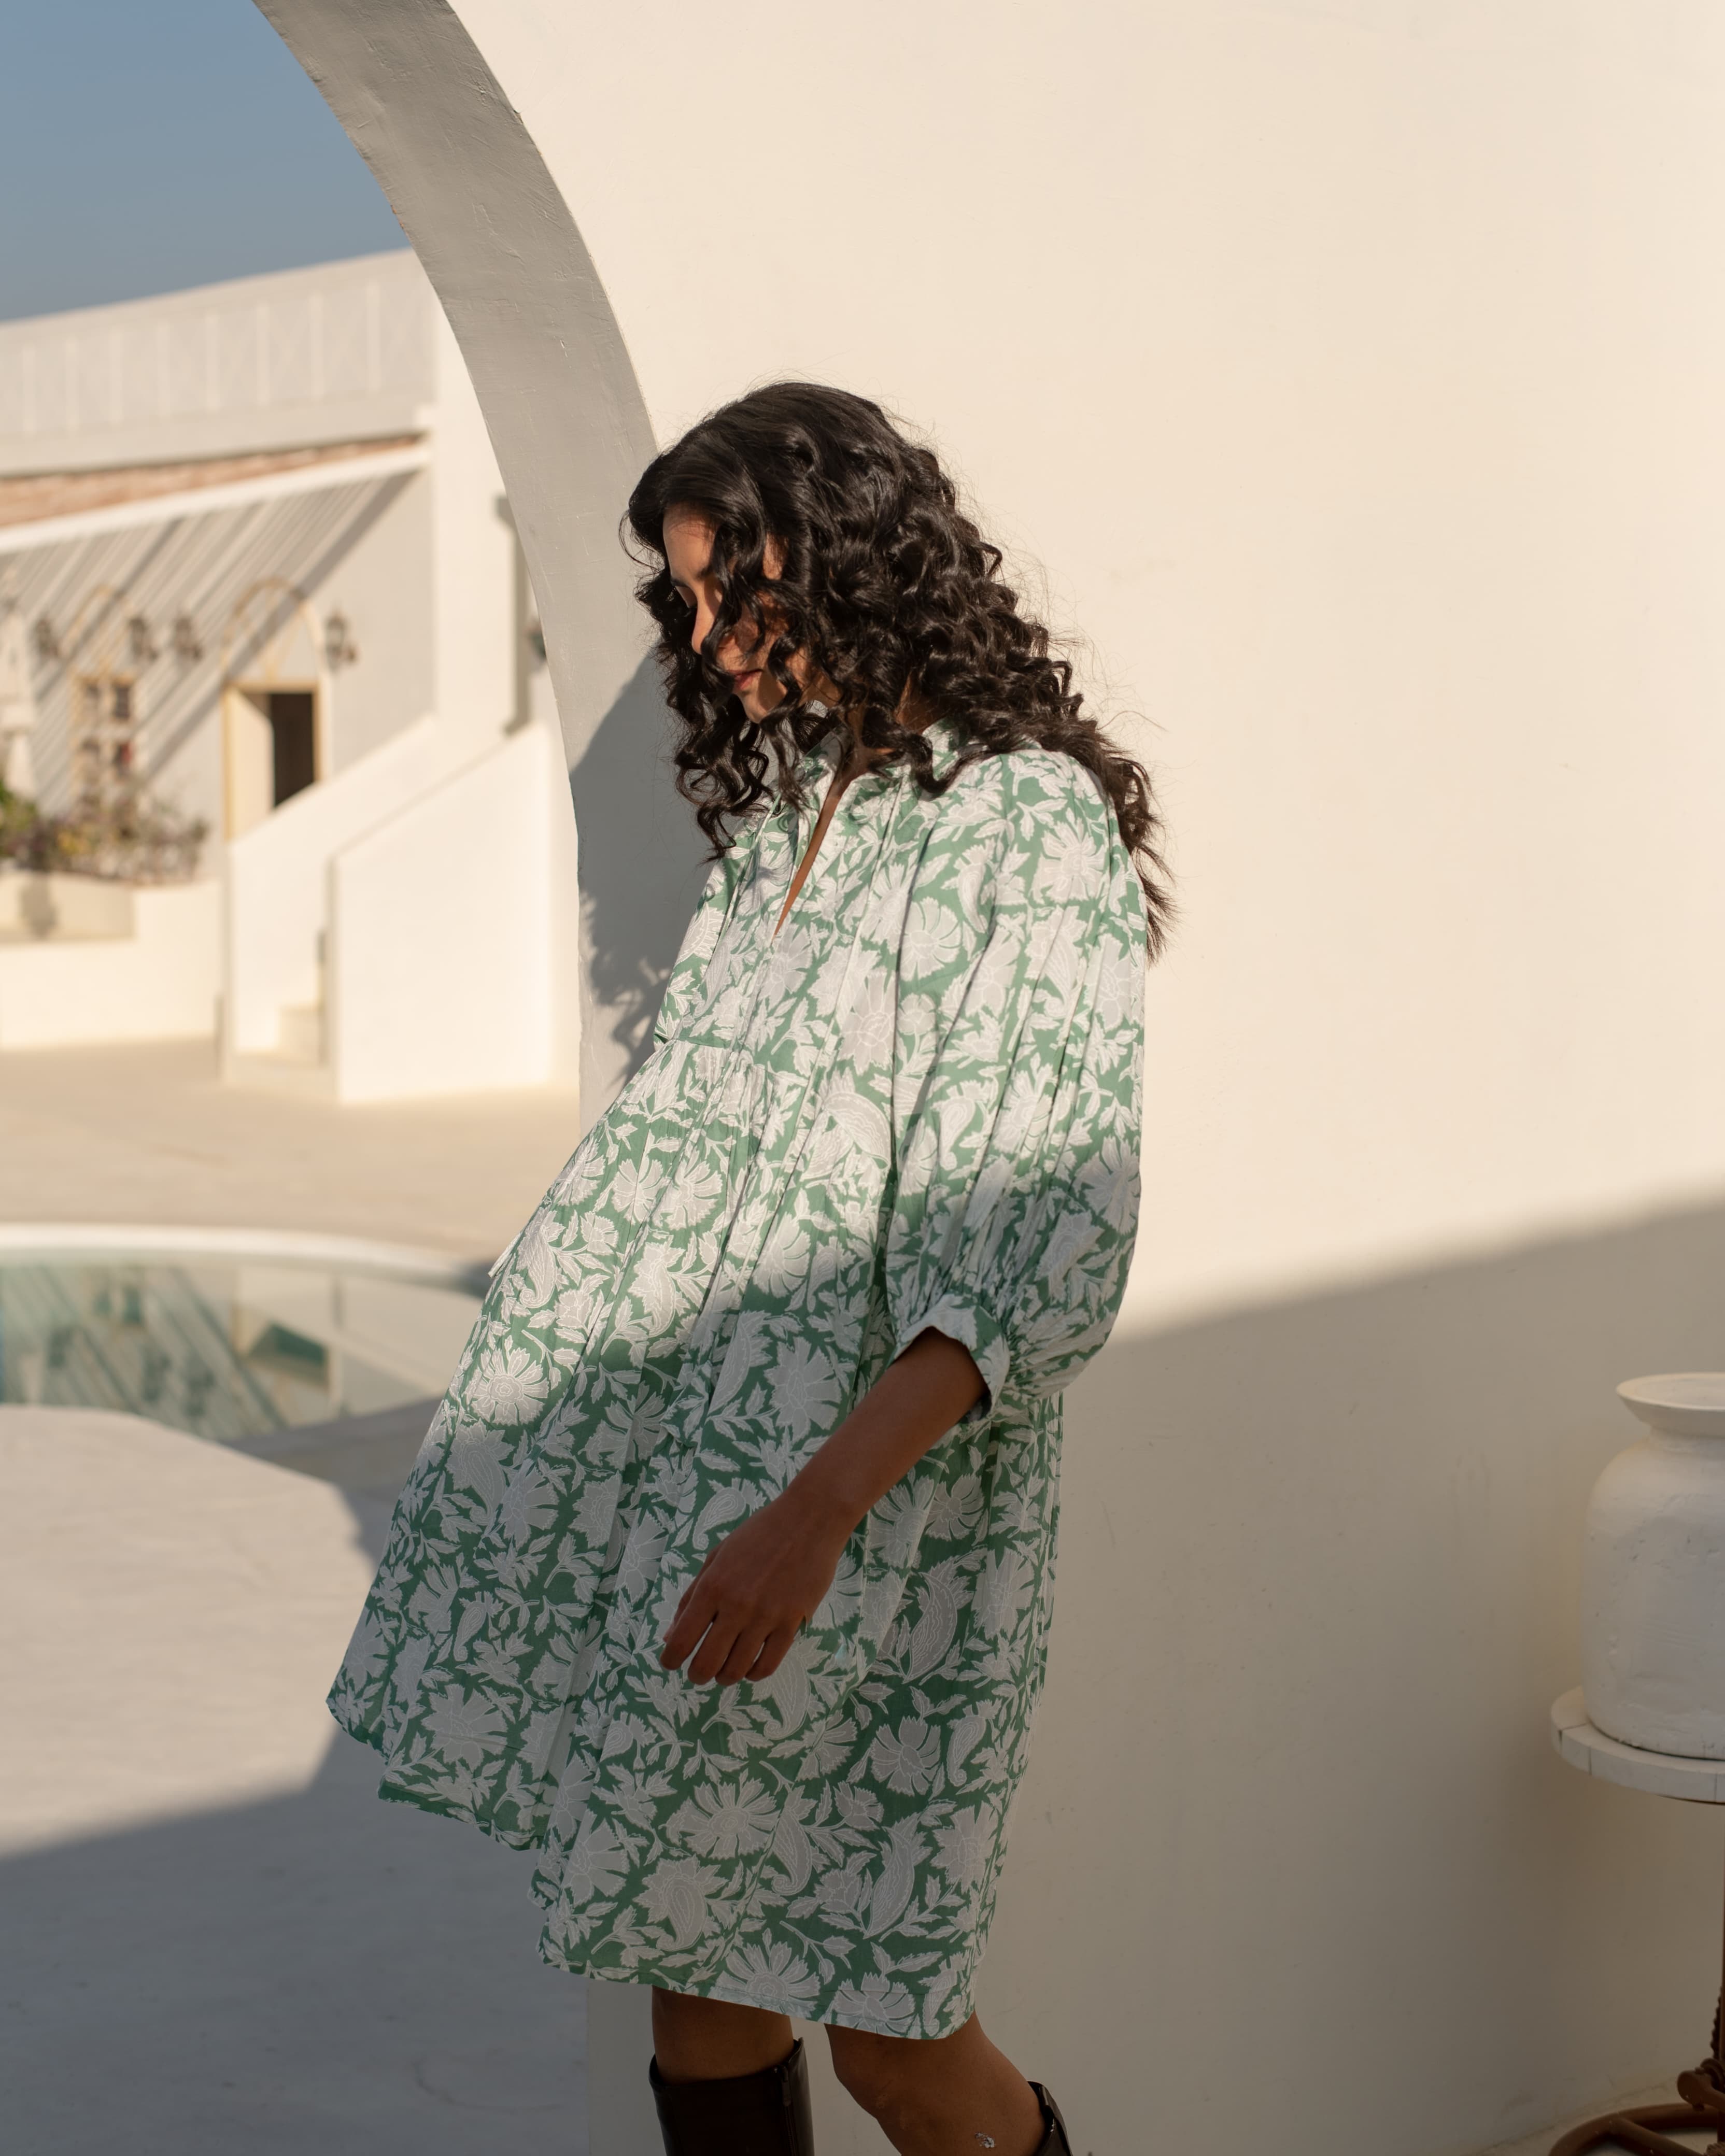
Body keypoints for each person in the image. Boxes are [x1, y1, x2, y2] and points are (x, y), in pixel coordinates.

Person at [328, 382, 1169, 2156]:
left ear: (856, 553)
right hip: (697, 1499)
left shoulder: (1020, 825)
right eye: (690, 601)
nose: (711, 641)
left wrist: (815, 1512)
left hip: (872, 1515)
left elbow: (1043, 1234)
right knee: (694, 1973)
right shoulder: (795, 810)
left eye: (738, 590)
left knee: (892, 2031)